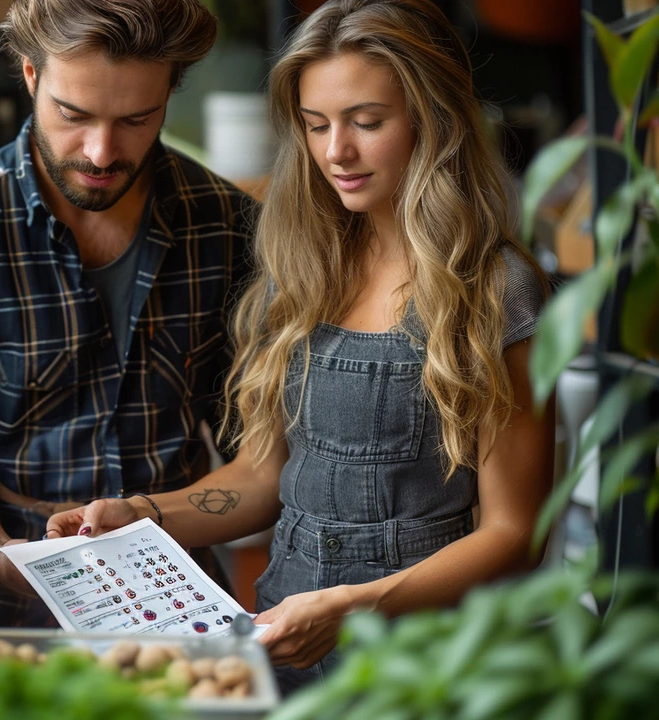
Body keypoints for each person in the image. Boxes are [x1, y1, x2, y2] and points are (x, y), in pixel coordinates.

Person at [46, 0, 554, 694]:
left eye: (366, 123)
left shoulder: (495, 289)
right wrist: (142, 513)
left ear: (432, 121)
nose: (335, 151)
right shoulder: (304, 270)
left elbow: (514, 534)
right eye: (316, 126)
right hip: (285, 643)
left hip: (429, 665)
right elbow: (261, 480)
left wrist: (353, 606)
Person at [0, 0, 257, 628]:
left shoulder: (225, 225)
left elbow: (258, 454)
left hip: (177, 592)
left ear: (171, 89)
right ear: (31, 75)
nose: (101, 151)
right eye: (73, 114)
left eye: (137, 118)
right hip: (5, 597)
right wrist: (9, 557)